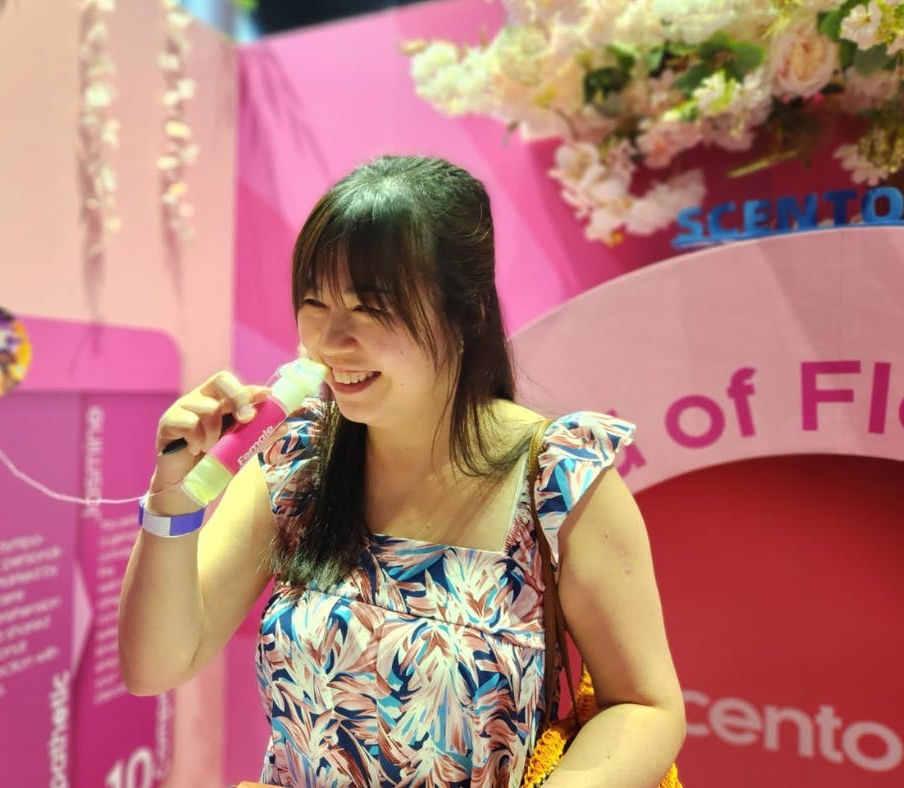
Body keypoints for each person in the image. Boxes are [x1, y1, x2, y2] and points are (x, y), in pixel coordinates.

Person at [118, 155, 685, 787]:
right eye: (314, 302)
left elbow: (642, 705)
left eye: (371, 306)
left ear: (465, 313)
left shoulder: (559, 476)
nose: (331, 340)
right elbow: (156, 666)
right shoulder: (297, 458)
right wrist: (170, 501)